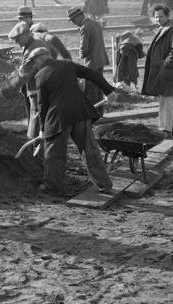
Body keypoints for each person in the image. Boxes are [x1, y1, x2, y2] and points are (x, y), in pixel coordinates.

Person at [32, 46, 116, 194]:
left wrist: (42, 128)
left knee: (54, 154)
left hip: (58, 118)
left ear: (41, 58)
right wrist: (108, 91)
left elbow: (42, 105)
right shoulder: (68, 65)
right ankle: (104, 184)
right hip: (80, 113)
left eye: (34, 62)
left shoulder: (40, 75)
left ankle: (53, 187)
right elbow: (93, 74)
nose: (34, 65)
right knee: (90, 150)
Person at [141, 4, 173, 136]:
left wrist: (166, 65)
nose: (158, 19)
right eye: (156, 17)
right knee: (168, 99)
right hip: (165, 70)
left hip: (168, 71)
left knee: (165, 100)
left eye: (161, 16)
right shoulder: (164, 28)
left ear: (167, 16)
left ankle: (165, 130)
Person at [68, 6, 109, 111]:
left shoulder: (85, 28)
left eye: (73, 20)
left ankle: (92, 114)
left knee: (90, 91)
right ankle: (100, 112)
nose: (74, 23)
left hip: (91, 63)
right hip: (100, 60)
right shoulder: (95, 23)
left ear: (79, 17)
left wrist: (81, 55)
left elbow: (84, 48)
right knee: (99, 87)